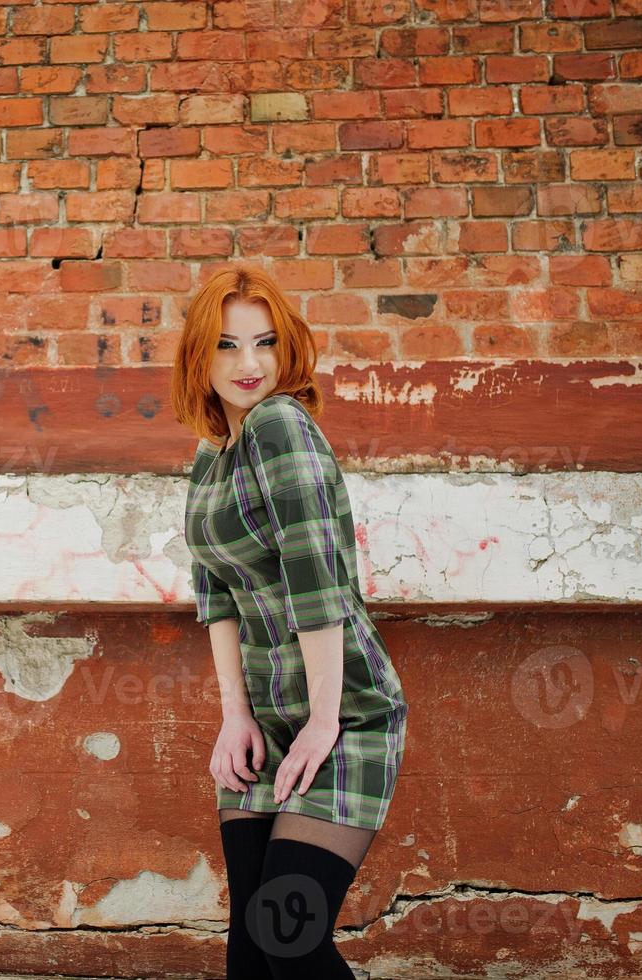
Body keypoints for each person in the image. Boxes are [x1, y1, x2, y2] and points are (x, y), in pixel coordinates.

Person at [172, 265, 409, 979]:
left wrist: (322, 719)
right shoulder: (211, 457)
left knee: (285, 931)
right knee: (249, 947)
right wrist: (233, 715)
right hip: (265, 720)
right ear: (198, 357)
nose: (249, 365)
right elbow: (215, 594)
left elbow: (314, 581)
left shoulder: (281, 425)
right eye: (226, 346)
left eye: (265, 343)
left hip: (345, 711)